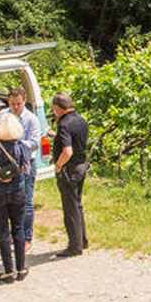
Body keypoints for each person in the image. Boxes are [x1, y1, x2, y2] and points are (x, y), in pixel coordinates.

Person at [0, 87, 44, 256]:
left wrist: (15, 145)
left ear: (24, 101)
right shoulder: (3, 115)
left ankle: (26, 238)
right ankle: (15, 235)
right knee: (10, 201)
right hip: (6, 165)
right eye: (12, 104)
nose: (15, 107)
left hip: (25, 164)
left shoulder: (31, 119)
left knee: (26, 201)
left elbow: (34, 142)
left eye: (18, 104)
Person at [0, 111, 31, 282]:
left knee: (3, 230)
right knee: (18, 228)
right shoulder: (22, 146)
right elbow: (25, 168)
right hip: (18, 191)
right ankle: (21, 269)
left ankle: (8, 272)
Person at [50, 92, 89, 257]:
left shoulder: (64, 124)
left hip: (69, 169)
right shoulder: (81, 119)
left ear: (57, 108)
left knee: (70, 208)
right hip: (81, 166)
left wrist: (59, 165)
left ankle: (74, 246)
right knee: (77, 205)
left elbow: (67, 151)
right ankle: (82, 240)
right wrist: (56, 137)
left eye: (53, 109)